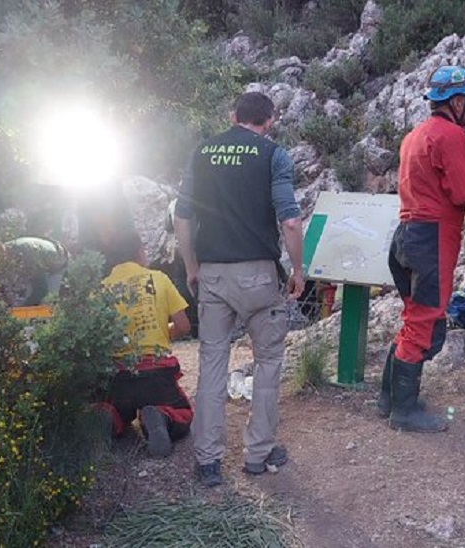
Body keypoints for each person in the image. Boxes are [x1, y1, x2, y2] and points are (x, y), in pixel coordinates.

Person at [174, 91, 304, 488]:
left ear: (233, 116)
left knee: (212, 365)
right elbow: (291, 221)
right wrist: (298, 269)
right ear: (270, 120)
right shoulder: (273, 154)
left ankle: (209, 462)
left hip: (212, 273)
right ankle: (258, 454)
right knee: (267, 363)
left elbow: (182, 215)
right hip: (259, 277)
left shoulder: (204, 152)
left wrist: (192, 266)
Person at [381, 66, 465, 433]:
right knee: (424, 323)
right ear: (456, 101)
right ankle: (404, 411)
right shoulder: (450, 135)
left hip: (406, 235)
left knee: (413, 317)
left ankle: (390, 398)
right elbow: (464, 191)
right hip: (432, 240)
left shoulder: (414, 135)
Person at [99, 235, 194, 458]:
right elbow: (184, 325)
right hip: (156, 373)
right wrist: (162, 333)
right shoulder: (158, 278)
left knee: (116, 407)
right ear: (140, 252)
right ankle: (162, 415)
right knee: (182, 412)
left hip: (119, 376)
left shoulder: (102, 289)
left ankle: (108, 416)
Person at [3, 236, 68, 306]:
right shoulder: (8, 247)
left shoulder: (26, 254)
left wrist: (24, 307)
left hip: (59, 259)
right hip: (47, 253)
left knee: (48, 299)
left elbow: (41, 289)